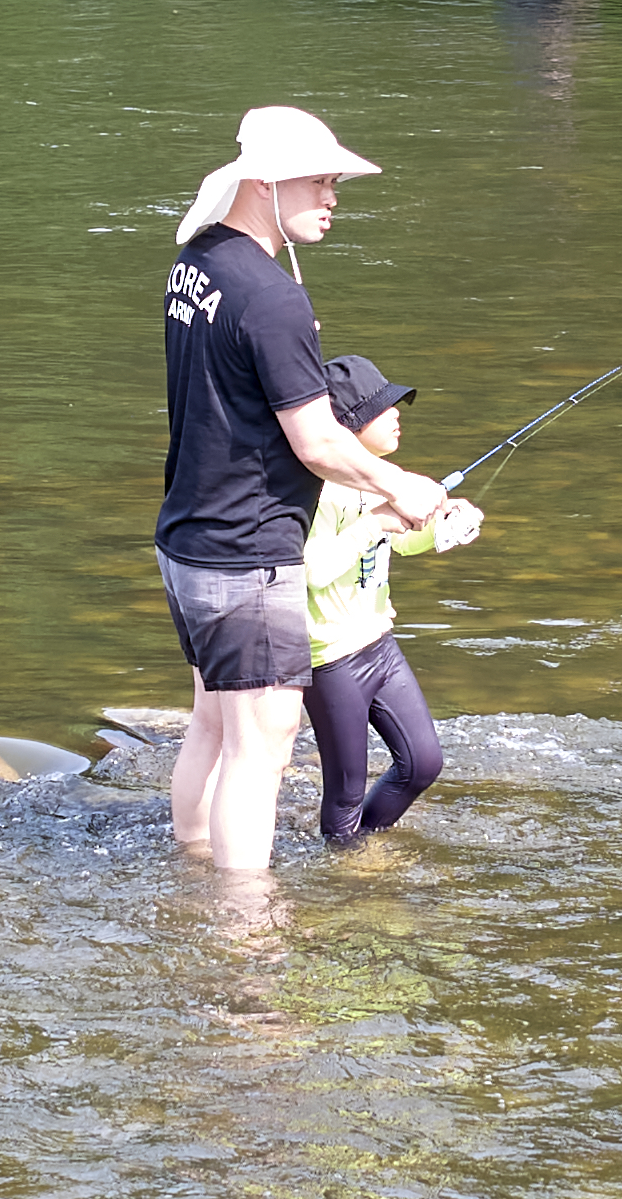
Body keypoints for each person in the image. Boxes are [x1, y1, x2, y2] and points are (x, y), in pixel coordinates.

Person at [158, 106, 448, 872]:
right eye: (319, 181)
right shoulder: (272, 296)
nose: (333, 196)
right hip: (246, 552)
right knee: (263, 747)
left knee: (214, 727)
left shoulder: (198, 260)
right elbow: (318, 441)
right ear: (263, 183)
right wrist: (402, 487)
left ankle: (191, 864)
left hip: (185, 538)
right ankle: (243, 926)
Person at [300, 355, 483, 847]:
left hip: (379, 643)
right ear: (351, 426)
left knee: (423, 763)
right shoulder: (316, 492)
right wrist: (374, 522)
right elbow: (312, 572)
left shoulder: (383, 474)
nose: (399, 413)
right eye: (386, 408)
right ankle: (345, 866)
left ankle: (363, 846)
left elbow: (400, 541)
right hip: (330, 659)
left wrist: (442, 530)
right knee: (345, 790)